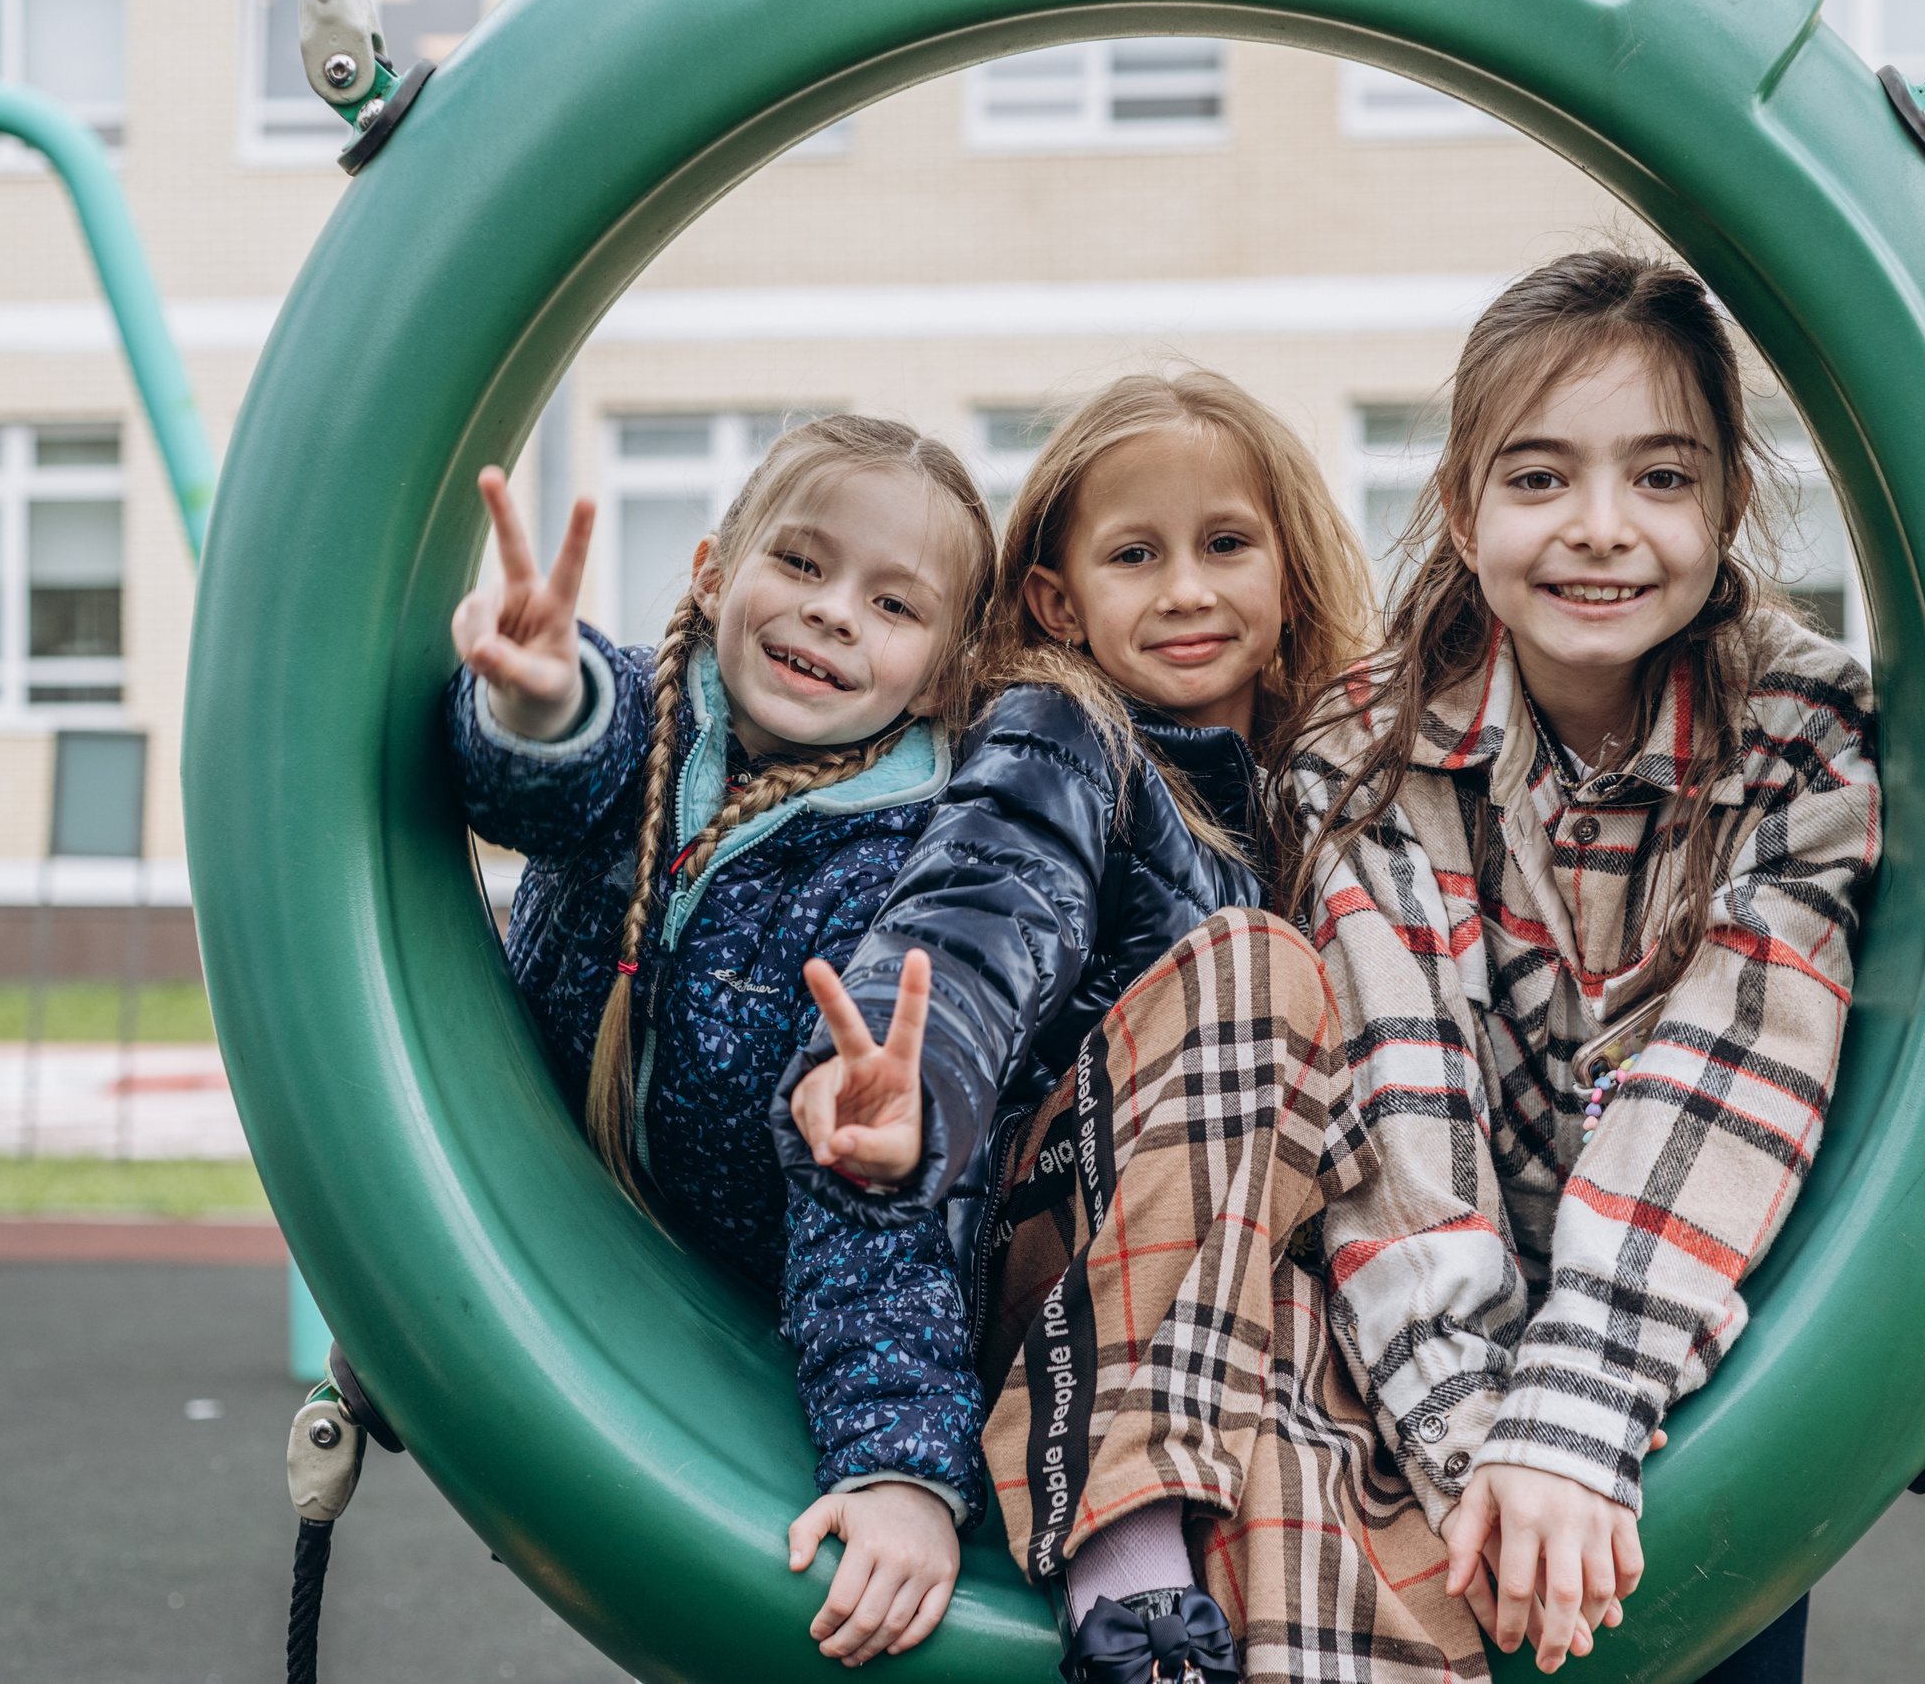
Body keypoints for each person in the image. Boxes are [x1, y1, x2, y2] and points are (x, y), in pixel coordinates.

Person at [769, 371, 1419, 1684]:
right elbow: (980, 913)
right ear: (1061, 601)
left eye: (1225, 545)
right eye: (1136, 554)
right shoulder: (1070, 740)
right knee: (1253, 970)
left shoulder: (1335, 797)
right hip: (1063, 1236)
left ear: (1288, 575)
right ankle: (1120, 1560)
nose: (1185, 588)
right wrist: (920, 1081)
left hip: (1237, 1294)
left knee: (1330, 1480)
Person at [1287, 252, 1884, 1680]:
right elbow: (1392, 1102)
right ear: (1462, 502)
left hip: (1703, 1340)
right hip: (1428, 1360)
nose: (1601, 531)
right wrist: (1490, 1452)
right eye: (1542, 477)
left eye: (1663, 479)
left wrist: (1581, 1411)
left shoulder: (1799, 732)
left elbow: (1738, 1058)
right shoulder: (1364, 752)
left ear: (1732, 502)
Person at [442, 415, 997, 1668]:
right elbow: (542, 781)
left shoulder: (908, 863)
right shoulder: (641, 719)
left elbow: (866, 1187)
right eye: (799, 564)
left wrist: (896, 1463)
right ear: (711, 569)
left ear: (947, 671)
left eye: (892, 603)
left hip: (745, 1324)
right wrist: (535, 698)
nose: (833, 612)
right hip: (553, 1242)